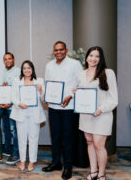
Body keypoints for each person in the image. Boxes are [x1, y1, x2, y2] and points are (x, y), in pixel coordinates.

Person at [73, 46, 118, 180]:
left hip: (102, 115)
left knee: (99, 145)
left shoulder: (108, 73)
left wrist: (101, 109)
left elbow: (114, 98)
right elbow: (82, 95)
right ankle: (93, 171)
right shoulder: (81, 74)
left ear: (100, 59)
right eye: (91, 55)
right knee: (89, 142)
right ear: (86, 57)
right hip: (86, 115)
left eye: (97, 56)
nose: (93, 58)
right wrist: (76, 92)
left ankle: (101, 174)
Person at [43, 41, 83, 179]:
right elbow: (47, 83)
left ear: (66, 50)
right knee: (55, 136)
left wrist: (70, 96)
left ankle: (68, 166)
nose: (58, 52)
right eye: (56, 50)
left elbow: (80, 84)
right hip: (53, 107)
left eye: (61, 49)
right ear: (53, 52)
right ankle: (56, 163)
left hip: (68, 107)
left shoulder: (75, 64)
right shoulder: (49, 65)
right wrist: (46, 96)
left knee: (67, 137)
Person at [10, 60, 46, 172]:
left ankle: (31, 161)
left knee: (33, 138)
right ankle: (22, 160)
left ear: (32, 69)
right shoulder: (17, 80)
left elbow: (43, 99)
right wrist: (19, 103)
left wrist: (40, 90)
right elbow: (13, 96)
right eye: (24, 68)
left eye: (29, 68)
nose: (27, 70)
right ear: (22, 70)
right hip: (21, 113)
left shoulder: (39, 80)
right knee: (21, 139)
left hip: (34, 113)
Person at [1, 52, 20, 165]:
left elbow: (18, 90)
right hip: (4, 106)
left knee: (16, 131)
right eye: (5, 59)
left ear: (13, 59)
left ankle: (16, 153)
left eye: (9, 59)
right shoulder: (2, 72)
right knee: (6, 129)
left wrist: (11, 103)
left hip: (13, 107)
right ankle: (7, 149)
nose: (7, 61)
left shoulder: (18, 72)